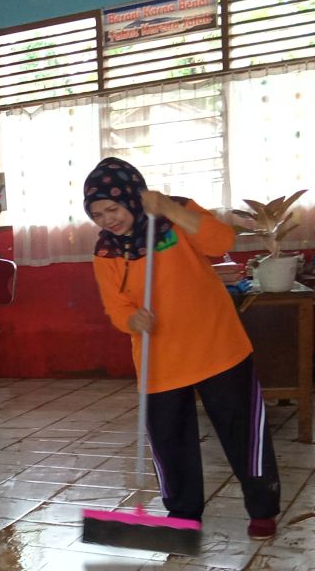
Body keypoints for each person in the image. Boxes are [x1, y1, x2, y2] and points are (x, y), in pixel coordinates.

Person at [83, 157, 280, 539]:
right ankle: (183, 513)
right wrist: (131, 321)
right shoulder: (106, 251)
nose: (108, 219)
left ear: (134, 197)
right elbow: (115, 305)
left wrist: (169, 208)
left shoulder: (177, 214)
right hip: (159, 358)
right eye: (97, 213)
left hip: (216, 344)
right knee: (169, 440)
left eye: (113, 208)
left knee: (242, 431)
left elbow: (221, 242)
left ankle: (262, 508)